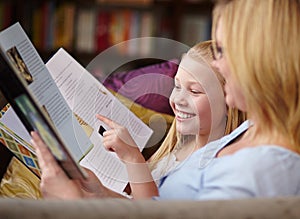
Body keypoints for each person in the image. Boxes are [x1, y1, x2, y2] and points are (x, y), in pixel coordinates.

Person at [32, 0, 300, 200]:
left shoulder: (263, 169)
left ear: (263, 61)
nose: (220, 65)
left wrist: (71, 206)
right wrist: (99, 196)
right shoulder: (249, 130)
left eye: (225, 51)